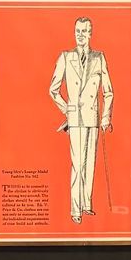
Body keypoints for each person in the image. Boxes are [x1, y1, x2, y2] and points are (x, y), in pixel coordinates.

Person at [46, 17, 113, 224]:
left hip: (93, 118)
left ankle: (87, 205)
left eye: (84, 31)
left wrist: (105, 116)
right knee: (77, 165)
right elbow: (53, 90)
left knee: (89, 164)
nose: (80, 35)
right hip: (75, 119)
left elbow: (108, 91)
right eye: (78, 31)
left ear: (91, 33)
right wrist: (68, 110)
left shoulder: (99, 57)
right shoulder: (65, 57)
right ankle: (75, 210)